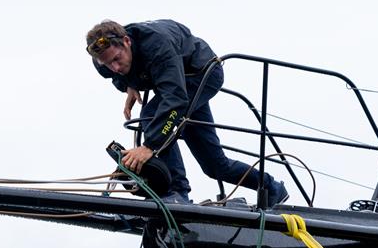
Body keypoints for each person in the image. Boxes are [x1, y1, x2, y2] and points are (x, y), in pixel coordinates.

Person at [86, 19, 288, 206]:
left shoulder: (156, 45)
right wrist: (129, 83)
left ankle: (177, 193)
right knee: (215, 166)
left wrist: (149, 146)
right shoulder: (102, 62)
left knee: (152, 115)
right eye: (108, 64)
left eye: (117, 59)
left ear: (127, 41)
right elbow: (116, 74)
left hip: (202, 75)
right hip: (178, 86)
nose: (115, 67)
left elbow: (175, 99)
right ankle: (272, 188)